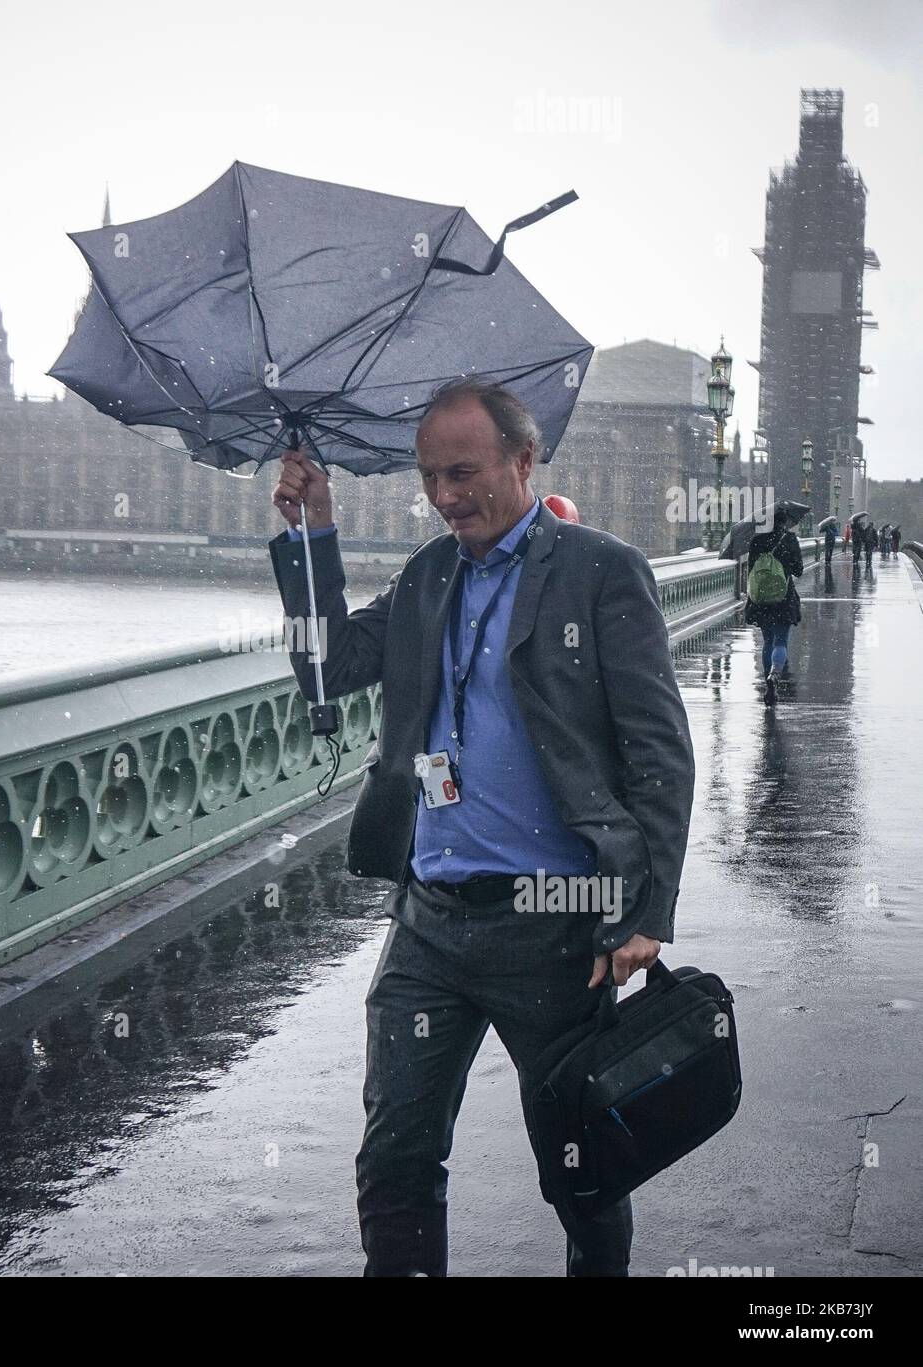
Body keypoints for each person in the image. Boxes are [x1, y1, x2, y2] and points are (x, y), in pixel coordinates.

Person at [268, 378, 695, 1277]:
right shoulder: (429, 575)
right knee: (395, 1160)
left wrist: (646, 913)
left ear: (524, 459)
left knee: (582, 1165)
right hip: (429, 923)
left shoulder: (600, 570)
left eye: (463, 472)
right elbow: (329, 668)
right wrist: (312, 534)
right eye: (430, 477)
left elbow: (661, 755)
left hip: (554, 919)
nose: (445, 495)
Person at [745, 512, 803, 707]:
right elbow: (799, 570)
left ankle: (766, 680)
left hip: (761, 600)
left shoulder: (757, 540)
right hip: (783, 597)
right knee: (780, 641)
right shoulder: (789, 539)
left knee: (767, 640)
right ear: (785, 522)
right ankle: (774, 676)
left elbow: (751, 570)